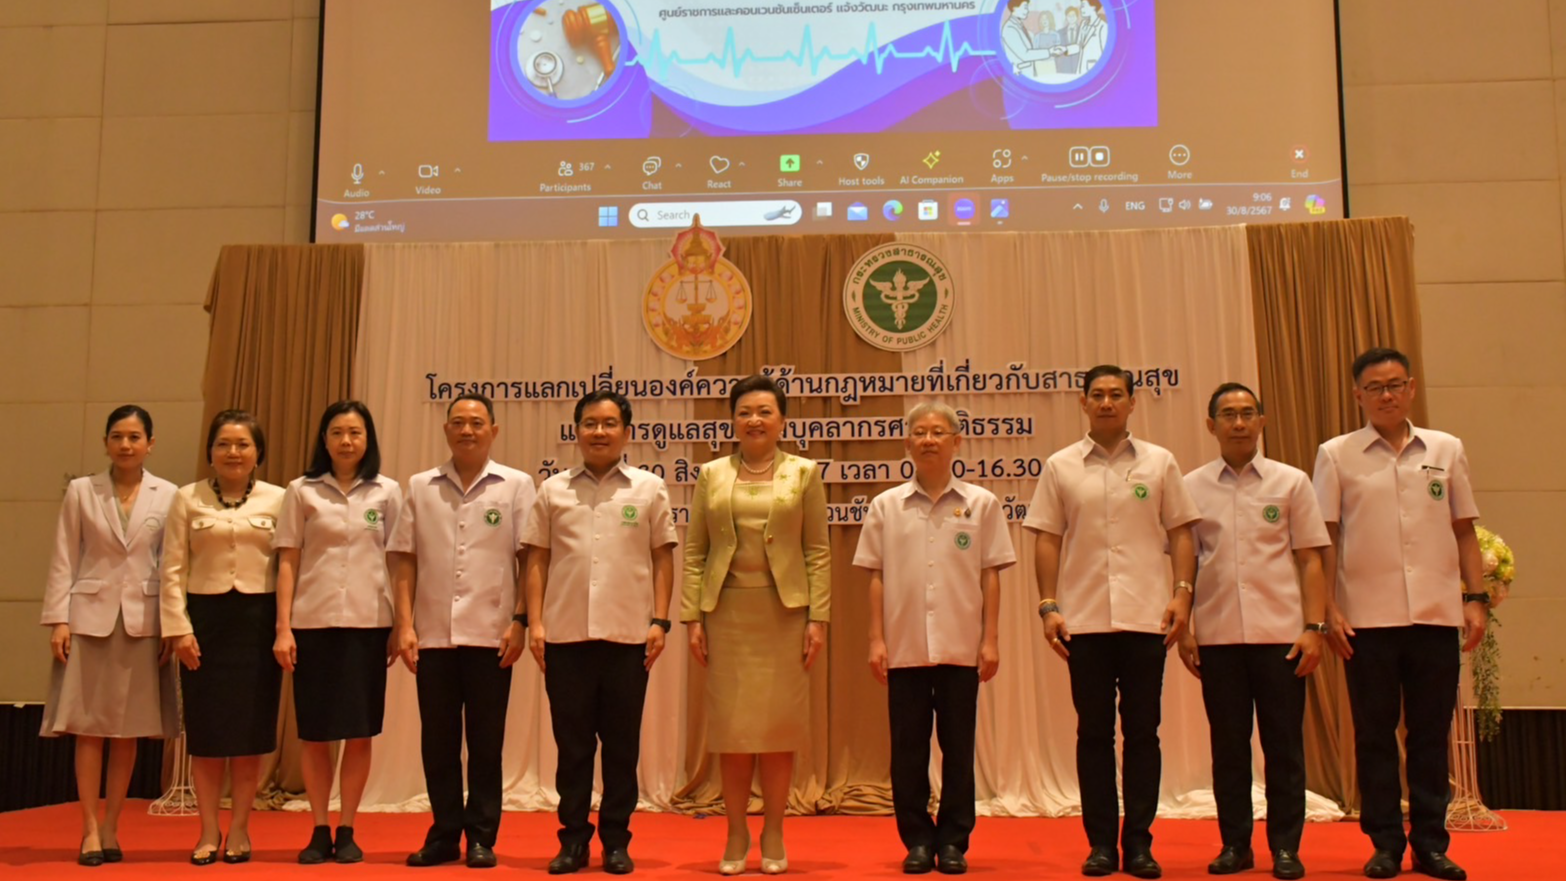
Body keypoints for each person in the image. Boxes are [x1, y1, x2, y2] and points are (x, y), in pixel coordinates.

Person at [1313, 348, 1488, 881]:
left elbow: (1464, 528)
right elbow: (1323, 538)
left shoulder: (1445, 448)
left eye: (1395, 384)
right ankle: (1385, 842)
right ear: (1357, 395)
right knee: (1374, 734)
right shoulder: (1336, 454)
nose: (1386, 395)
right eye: (1374, 387)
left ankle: (1431, 844)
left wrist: (1475, 599)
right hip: (1366, 621)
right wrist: (1328, 609)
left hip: (1435, 615)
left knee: (1431, 734)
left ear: (1411, 388)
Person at [1024, 364, 1200, 880]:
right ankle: (1101, 844)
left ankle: (1140, 844)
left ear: (1131, 402)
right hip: (1083, 622)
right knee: (1093, 734)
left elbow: (1182, 533)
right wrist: (1048, 605)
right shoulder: (1061, 466)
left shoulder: (1160, 462)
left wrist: (1183, 595)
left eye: (1116, 395)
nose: (1106, 402)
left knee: (1144, 733)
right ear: (1083, 403)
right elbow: (1047, 538)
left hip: (1148, 618)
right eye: (1097, 395)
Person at [1175, 384, 1329, 881]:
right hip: (1218, 638)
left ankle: (1286, 848)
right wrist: (1186, 627)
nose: (1238, 423)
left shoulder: (1292, 482)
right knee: (1229, 749)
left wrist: (1314, 627)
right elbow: (1185, 565)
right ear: (1210, 425)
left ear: (1262, 422)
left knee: (1284, 748)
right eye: (1227, 414)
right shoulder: (1191, 487)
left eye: (1247, 414)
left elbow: (1310, 559)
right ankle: (1235, 845)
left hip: (1282, 637)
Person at [855, 402, 1015, 876]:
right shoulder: (886, 505)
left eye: (938, 432)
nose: (928, 440)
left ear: (956, 442)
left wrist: (991, 639)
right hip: (903, 647)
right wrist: (875, 640)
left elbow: (991, 576)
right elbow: (876, 577)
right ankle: (917, 840)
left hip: (961, 646)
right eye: (919, 432)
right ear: (907, 442)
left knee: (958, 747)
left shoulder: (981, 503)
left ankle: (953, 841)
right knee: (908, 749)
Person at [523, 390, 678, 875]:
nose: (599, 432)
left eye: (610, 423)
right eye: (590, 423)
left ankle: (616, 841)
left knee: (621, 747)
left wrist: (660, 620)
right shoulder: (553, 491)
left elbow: (661, 556)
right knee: (572, 748)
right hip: (565, 638)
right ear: (576, 430)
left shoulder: (648, 488)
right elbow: (537, 559)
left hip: (628, 638)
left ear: (626, 432)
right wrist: (535, 623)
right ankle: (571, 841)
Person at [682, 374, 830, 876]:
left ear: (781, 419)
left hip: (785, 615)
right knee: (732, 730)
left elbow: (817, 551)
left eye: (765, 411)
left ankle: (774, 831)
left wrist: (819, 619)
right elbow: (696, 551)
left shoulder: (805, 473)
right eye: (745, 411)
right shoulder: (711, 475)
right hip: (725, 615)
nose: (755, 420)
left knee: (776, 729)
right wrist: (692, 618)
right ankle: (735, 831)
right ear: (733, 420)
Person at [389, 392, 535, 869]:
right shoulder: (420, 486)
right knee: (439, 741)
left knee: (487, 743)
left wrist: (520, 620)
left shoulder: (515, 485)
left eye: (476, 422)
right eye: (458, 422)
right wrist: (404, 625)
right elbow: (405, 558)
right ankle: (444, 833)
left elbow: (528, 558)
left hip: (492, 635)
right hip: (432, 634)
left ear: (493, 430)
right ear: (446, 430)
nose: (467, 430)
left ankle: (482, 836)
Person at [40, 405, 179, 866]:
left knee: (127, 731)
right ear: (105, 442)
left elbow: (173, 565)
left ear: (150, 444)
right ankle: (88, 830)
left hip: (144, 619)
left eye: (135, 437)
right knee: (89, 728)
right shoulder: (82, 491)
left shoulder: (168, 494)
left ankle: (114, 827)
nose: (126, 444)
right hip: (89, 617)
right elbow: (64, 555)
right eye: (117, 436)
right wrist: (59, 619)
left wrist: (171, 625)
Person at [271, 400, 401, 864]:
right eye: (338, 433)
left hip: (368, 625)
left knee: (359, 732)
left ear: (368, 440)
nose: (347, 441)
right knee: (316, 734)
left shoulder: (387, 492)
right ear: (324, 440)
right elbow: (288, 561)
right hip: (313, 625)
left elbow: (397, 562)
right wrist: (283, 628)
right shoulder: (301, 491)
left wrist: (400, 625)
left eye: (355, 433)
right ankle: (319, 828)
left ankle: (348, 826)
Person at [160, 409, 286, 865]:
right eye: (224, 444)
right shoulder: (186, 498)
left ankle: (240, 830)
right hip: (205, 625)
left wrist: (284, 628)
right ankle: (208, 830)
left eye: (243, 445)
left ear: (258, 453)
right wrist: (179, 629)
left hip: (258, 623)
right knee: (209, 735)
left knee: (249, 736)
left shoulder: (280, 498)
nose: (233, 453)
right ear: (210, 452)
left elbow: (290, 568)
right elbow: (172, 568)